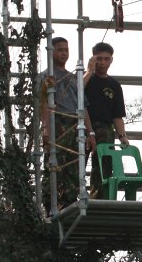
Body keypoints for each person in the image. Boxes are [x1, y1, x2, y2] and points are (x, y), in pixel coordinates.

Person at [38, 37, 96, 209]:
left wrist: (90, 132)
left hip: (75, 124)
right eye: (60, 50)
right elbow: (43, 105)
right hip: (58, 122)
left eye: (66, 50)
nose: (64, 53)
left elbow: (83, 106)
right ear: (51, 52)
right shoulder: (45, 76)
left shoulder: (73, 78)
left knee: (74, 168)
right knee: (55, 165)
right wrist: (46, 130)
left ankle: (69, 204)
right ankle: (51, 206)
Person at [84, 42, 128, 197]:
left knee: (103, 170)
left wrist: (122, 136)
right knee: (76, 167)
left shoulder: (114, 85)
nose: (102, 62)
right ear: (93, 59)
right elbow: (76, 92)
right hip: (82, 128)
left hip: (105, 130)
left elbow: (117, 115)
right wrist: (89, 71)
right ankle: (72, 202)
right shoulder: (85, 79)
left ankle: (98, 201)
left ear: (111, 60)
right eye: (99, 59)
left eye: (106, 59)